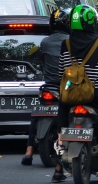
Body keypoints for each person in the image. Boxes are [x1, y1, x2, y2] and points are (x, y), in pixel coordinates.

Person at [51, 4, 98, 183]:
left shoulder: (65, 43)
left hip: (70, 93)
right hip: (93, 94)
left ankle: (60, 141)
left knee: (62, 104)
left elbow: (61, 71)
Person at [21, 9, 70, 165]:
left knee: (36, 115)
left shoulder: (45, 42)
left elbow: (42, 63)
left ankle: (28, 151)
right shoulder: (71, 41)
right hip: (67, 87)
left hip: (49, 86)